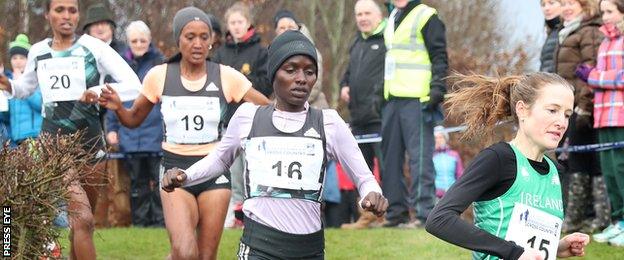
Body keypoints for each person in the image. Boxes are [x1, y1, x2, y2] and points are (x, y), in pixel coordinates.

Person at [160, 30, 387, 259]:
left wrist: (373, 193)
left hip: (308, 249)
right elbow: (220, 159)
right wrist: (185, 176)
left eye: (309, 72)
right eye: (291, 70)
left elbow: (364, 178)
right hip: (259, 247)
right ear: (273, 73)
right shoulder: (249, 117)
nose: (301, 79)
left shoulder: (328, 123)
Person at [98, 7, 269, 259]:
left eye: (204, 37)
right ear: (178, 39)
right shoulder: (160, 75)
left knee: (205, 256)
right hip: (174, 171)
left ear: (211, 40)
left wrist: (238, 132)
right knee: (185, 252)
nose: (198, 44)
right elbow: (134, 119)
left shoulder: (225, 76)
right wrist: (118, 109)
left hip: (214, 171)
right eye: (190, 37)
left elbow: (265, 108)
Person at [0, 0, 142, 259]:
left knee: (81, 226)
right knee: (83, 218)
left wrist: (98, 91)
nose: (66, 16)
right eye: (59, 10)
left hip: (90, 143)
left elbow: (134, 84)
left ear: (78, 15)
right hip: (54, 143)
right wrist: (9, 86)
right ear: (48, 15)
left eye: (72, 10)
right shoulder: (39, 51)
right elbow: (26, 88)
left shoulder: (94, 47)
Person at [425, 72, 590, 260]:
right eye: (552, 110)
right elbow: (439, 220)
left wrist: (556, 248)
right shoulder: (498, 160)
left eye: (567, 115)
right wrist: (514, 253)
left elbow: (528, 241)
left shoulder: (555, 171)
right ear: (522, 110)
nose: (561, 122)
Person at [381, 0, 448, 227]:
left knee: (420, 159)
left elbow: (439, 56)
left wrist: (437, 88)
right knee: (390, 159)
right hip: (392, 98)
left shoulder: (426, 16)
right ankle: (395, 212)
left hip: (418, 99)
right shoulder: (392, 17)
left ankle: (424, 213)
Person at [106, 20, 165, 227]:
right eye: (134, 40)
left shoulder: (160, 63)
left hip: (155, 134)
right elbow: (115, 99)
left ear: (149, 41)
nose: (139, 44)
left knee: (159, 182)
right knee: (137, 183)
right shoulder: (120, 66)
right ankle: (140, 222)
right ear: (128, 42)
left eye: (142, 40)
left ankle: (159, 222)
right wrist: (112, 128)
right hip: (130, 135)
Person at [555, 0, 605, 234]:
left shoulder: (590, 31)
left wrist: (584, 106)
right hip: (569, 105)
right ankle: (576, 218)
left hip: (585, 107)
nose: (566, 7)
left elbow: (591, 69)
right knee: (575, 161)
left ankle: (599, 217)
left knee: (592, 162)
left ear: (586, 6)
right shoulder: (569, 31)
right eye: (563, 3)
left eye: (571, 3)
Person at [339, 0, 387, 229]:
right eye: (359, 14)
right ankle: (368, 215)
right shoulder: (357, 41)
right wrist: (344, 85)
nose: (362, 18)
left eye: (367, 13)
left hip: (381, 115)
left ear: (379, 16)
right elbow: (348, 72)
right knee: (362, 170)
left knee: (388, 167)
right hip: (358, 117)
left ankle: (392, 213)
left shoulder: (389, 38)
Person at [581, 0, 624, 246]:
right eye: (602, 12)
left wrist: (594, 76)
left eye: (609, 11)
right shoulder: (606, 41)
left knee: (621, 170)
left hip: (621, 116)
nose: (604, 16)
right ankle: (617, 222)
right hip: (603, 116)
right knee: (610, 172)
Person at [213, 1, 272, 127]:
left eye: (240, 22)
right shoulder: (220, 53)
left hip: (253, 117)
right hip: (225, 118)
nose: (236, 26)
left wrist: (240, 84)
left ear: (248, 23)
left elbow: (267, 84)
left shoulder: (261, 52)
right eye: (233, 23)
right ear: (228, 26)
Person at [273, 9, 329, 109]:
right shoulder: (273, 54)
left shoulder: (312, 52)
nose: (287, 30)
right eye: (282, 28)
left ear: (297, 28)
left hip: (312, 105)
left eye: (290, 27)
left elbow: (315, 87)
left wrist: (291, 105)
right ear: (276, 32)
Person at [5, 34, 43, 146]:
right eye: (14, 58)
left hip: (34, 136)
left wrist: (22, 88)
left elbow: (41, 105)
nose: (18, 61)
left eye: (22, 58)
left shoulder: (36, 79)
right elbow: (7, 114)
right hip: (15, 138)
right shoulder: (9, 81)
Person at [432, 126, 463, 199]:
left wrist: (458, 191)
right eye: (436, 138)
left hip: (452, 194)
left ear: (445, 138)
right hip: (436, 196)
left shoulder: (454, 155)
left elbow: (460, 175)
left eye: (441, 137)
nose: (438, 140)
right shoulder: (431, 156)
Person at [540, 0, 563, 74]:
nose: (546, 8)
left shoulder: (567, 30)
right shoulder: (552, 32)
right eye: (543, 5)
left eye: (551, 3)